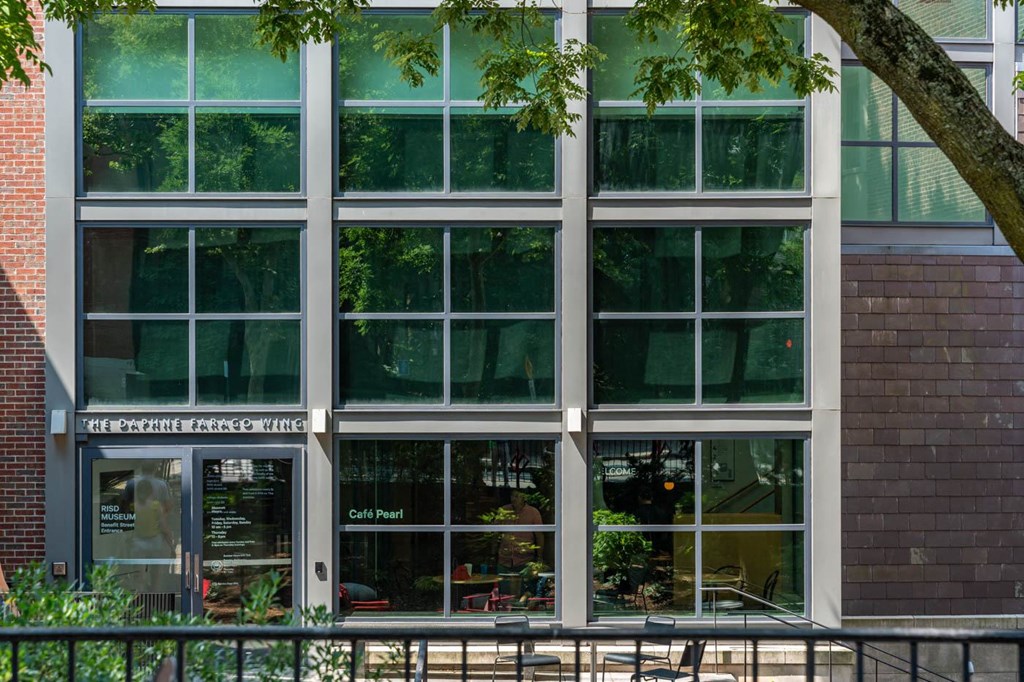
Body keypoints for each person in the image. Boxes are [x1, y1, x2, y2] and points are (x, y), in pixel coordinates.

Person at [497, 490, 543, 569]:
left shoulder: (533, 512)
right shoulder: (504, 510)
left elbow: (539, 536)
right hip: (504, 560)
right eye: (512, 496)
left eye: (517, 496)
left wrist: (539, 558)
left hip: (525, 560)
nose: (513, 499)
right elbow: (495, 532)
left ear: (523, 498)